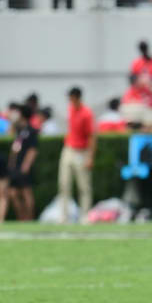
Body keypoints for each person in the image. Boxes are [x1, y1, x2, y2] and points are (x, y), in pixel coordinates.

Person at [59, 87, 95, 224]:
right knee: (64, 184)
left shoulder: (86, 113)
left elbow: (92, 136)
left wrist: (90, 157)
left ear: (77, 97)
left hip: (82, 151)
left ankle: (85, 216)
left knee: (83, 185)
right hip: (69, 149)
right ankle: (64, 216)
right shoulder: (70, 109)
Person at [8, 105, 39, 221]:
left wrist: (26, 166)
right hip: (15, 166)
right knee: (13, 193)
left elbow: (33, 150)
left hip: (24, 166)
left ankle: (29, 218)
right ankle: (21, 217)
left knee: (26, 193)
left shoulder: (31, 130)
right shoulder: (19, 130)